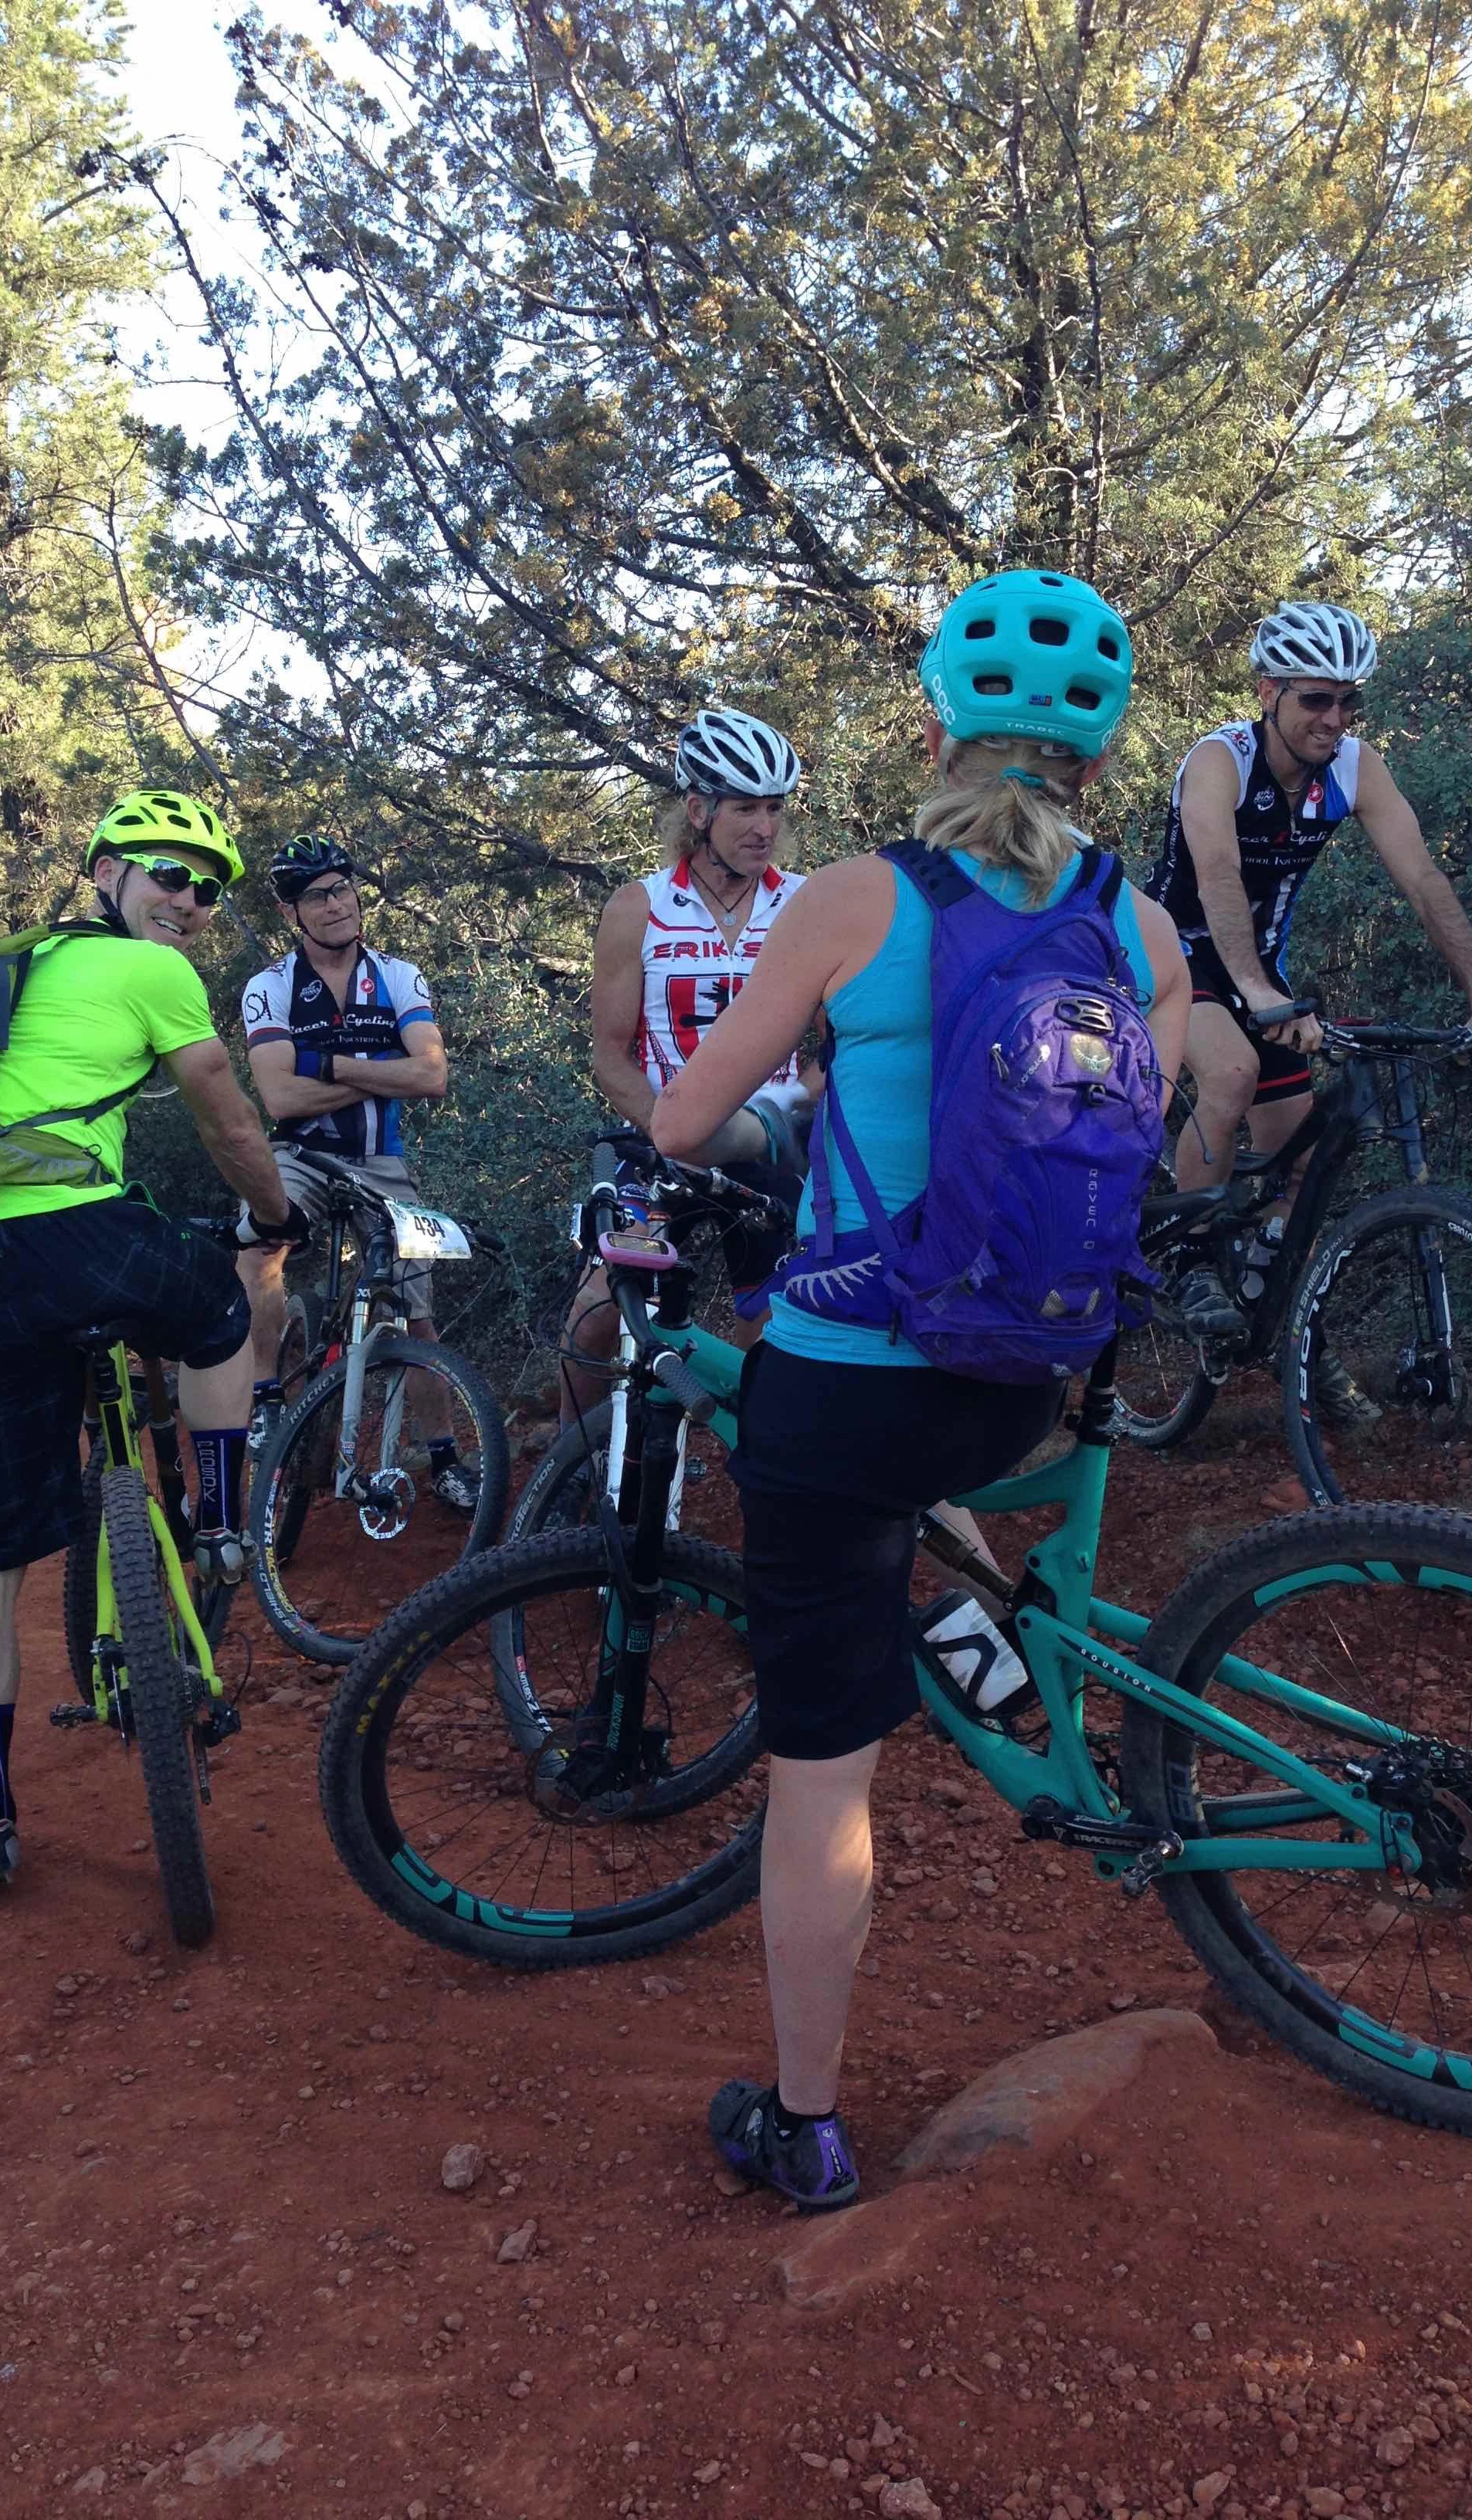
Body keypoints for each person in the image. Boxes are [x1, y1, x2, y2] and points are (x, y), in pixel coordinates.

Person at [648, 571, 1189, 2209]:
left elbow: (683, 1125)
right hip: (1022, 1376)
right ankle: (984, 1651)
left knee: (824, 1777)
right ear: (1092, 751)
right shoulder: (1134, 921)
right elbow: (1150, 1131)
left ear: (944, 720)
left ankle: (805, 2127)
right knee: (918, 1502)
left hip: (852, 1382)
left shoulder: (848, 903)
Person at [0, 789, 304, 1895]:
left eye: (209, 888)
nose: (191, 900)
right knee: (222, 1307)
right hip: (75, 1229)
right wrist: (274, 1216)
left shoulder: (5, 970)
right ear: (104, 873)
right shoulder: (150, 972)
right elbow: (226, 1113)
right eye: (169, 874)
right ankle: (227, 1527)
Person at [1147, 600, 1472, 1347]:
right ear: (1268, 692)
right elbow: (1218, 874)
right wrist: (1256, 991)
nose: (1335, 718)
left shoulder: (1354, 769)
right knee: (1229, 1074)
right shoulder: (1219, 761)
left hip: (1263, 970)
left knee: (1310, 1150)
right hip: (1175, 951)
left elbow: (1422, 880)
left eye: (1350, 701)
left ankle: (1268, 1306)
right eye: (1317, 698)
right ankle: (1184, 1261)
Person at [561, 706, 811, 1421]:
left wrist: (802, 1109)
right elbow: (609, 1054)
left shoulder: (804, 904)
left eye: (775, 807)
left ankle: (756, 1473)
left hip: (770, 1148)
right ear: (699, 809)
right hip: (664, 1144)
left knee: (772, 1332)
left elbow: (835, 1043)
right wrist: (672, 1129)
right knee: (595, 1308)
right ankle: (575, 1467)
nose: (764, 826)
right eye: (745, 808)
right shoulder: (640, 906)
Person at [235, 835, 478, 1509]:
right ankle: (262, 1397)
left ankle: (446, 1459)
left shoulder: (399, 975)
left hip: (381, 1163)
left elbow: (431, 1075)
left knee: (416, 1313)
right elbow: (279, 1099)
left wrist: (330, 1065)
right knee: (258, 1251)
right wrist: (380, 1075)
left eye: (344, 887)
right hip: (300, 1155)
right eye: (318, 894)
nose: (338, 903)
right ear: (293, 914)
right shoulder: (270, 987)